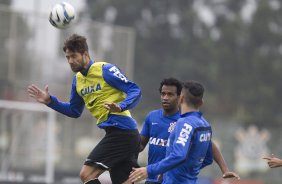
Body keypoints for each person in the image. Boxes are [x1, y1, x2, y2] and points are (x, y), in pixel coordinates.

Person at [27, 34, 142, 184]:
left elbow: (135, 90)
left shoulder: (105, 70)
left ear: (85, 54)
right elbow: (74, 111)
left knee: (86, 175)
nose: (70, 61)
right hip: (120, 134)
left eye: (73, 56)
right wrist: (50, 101)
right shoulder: (78, 80)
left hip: (123, 132)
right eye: (67, 57)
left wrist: (121, 106)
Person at [129, 80, 238, 183]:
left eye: (170, 94)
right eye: (163, 94)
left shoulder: (184, 123)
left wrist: (150, 170)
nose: (165, 98)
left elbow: (178, 155)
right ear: (201, 103)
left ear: (180, 99)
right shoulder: (204, 124)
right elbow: (208, 158)